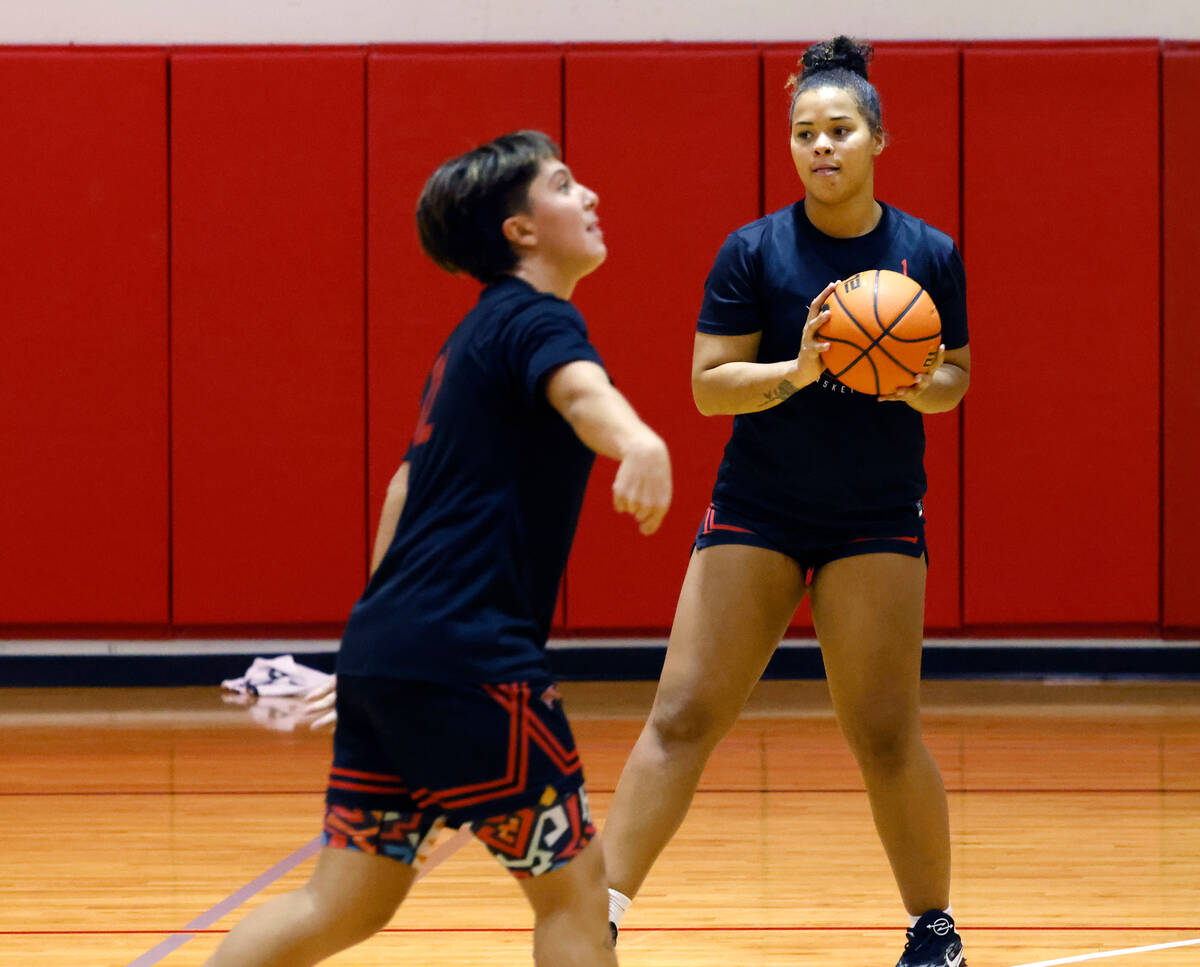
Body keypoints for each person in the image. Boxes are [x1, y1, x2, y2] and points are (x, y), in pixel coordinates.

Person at [204, 130, 672, 967]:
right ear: (519, 230)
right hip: (473, 660)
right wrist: (638, 440)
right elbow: (583, 390)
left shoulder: (470, 340)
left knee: (342, 901)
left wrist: (378, 647)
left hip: (388, 652)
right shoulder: (535, 320)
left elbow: (400, 491)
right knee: (573, 892)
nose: (590, 196)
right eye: (564, 185)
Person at [600, 37, 971, 967]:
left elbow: (955, 376)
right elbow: (708, 386)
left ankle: (934, 927)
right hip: (760, 505)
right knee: (682, 712)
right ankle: (594, 909)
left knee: (885, 731)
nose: (822, 146)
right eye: (805, 131)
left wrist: (909, 380)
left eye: (840, 129)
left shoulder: (928, 251)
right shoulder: (753, 251)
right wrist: (806, 368)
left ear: (878, 136)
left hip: (876, 513)